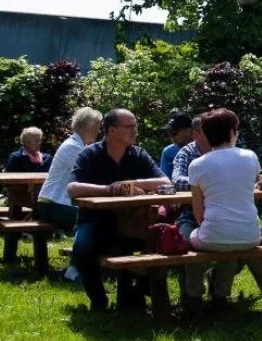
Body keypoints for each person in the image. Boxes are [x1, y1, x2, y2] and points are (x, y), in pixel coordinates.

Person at [182, 108, 262, 313]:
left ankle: (194, 299)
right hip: (250, 234)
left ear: (206, 134)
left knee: (193, 246)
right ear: (233, 131)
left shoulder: (197, 164)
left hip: (214, 234)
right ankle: (229, 295)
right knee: (238, 246)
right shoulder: (250, 157)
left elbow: (198, 212)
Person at [67, 108, 169, 311]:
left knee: (162, 247)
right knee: (81, 250)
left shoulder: (138, 154)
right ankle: (98, 299)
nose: (134, 131)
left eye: (135, 126)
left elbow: (165, 182)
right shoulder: (90, 154)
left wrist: (132, 183)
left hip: (133, 222)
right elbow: (72, 188)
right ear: (111, 130)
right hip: (95, 220)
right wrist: (109, 189)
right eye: (129, 126)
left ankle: (133, 296)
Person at [36, 107, 103, 282]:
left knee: (97, 218)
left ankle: (87, 265)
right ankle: (75, 269)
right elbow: (92, 176)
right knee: (90, 220)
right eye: (97, 126)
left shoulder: (79, 145)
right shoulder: (73, 148)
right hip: (52, 204)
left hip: (56, 202)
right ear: (85, 126)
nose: (99, 130)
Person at [160, 111, 193, 177]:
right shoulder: (168, 152)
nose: (172, 139)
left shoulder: (205, 146)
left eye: (175, 134)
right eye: (169, 135)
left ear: (188, 131)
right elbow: (165, 179)